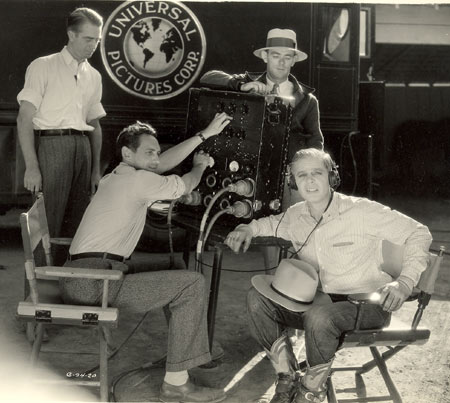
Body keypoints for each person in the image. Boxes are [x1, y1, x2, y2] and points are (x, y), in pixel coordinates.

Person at [224, 148, 432, 403]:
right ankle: (287, 378)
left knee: (319, 317)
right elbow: (270, 223)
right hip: (319, 304)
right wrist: (247, 227)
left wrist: (404, 282)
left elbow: (419, 233)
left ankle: (311, 391)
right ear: (293, 181)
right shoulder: (296, 214)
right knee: (258, 300)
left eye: (317, 173)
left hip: (367, 305)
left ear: (331, 177)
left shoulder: (361, 211)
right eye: (302, 175)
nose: (309, 181)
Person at [61, 114, 231, 403]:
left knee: (175, 265)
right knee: (191, 285)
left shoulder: (117, 176)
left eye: (157, 153)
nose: (156, 159)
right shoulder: (139, 181)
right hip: (95, 280)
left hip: (87, 273)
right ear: (128, 153)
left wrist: (203, 136)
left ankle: (187, 350)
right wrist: (200, 166)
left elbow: (160, 169)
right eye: (149, 152)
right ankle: (176, 385)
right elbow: (183, 184)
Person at [201, 28, 324, 269]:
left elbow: (316, 142)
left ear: (293, 60)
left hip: (289, 175)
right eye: (276, 55)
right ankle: (272, 277)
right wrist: (239, 85)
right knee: (267, 225)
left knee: (297, 223)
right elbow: (208, 77)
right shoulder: (248, 83)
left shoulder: (307, 100)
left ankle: (293, 279)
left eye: (287, 56)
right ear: (265, 56)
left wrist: (305, 174)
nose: (281, 61)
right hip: (252, 171)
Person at [16, 7, 105, 263]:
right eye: (88, 39)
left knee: (76, 226)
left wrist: (95, 169)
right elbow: (24, 118)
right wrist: (32, 167)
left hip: (83, 149)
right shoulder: (43, 66)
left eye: (97, 40)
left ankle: (66, 290)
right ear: (71, 35)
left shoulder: (94, 76)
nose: (93, 45)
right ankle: (38, 296)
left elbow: (95, 125)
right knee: (45, 225)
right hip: (52, 147)